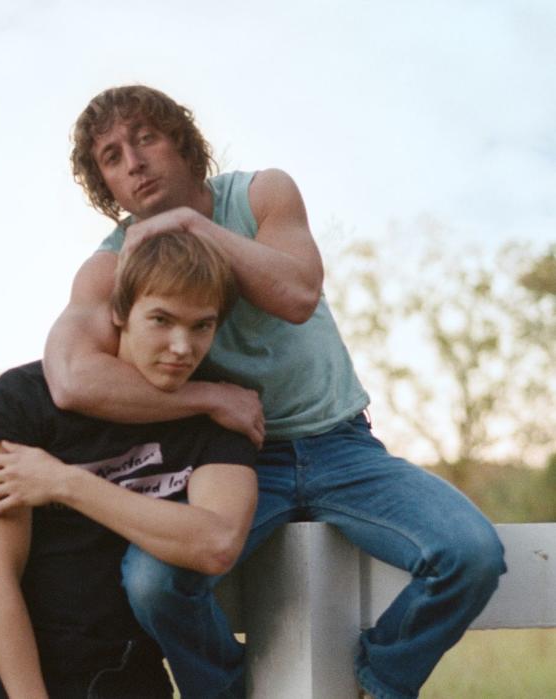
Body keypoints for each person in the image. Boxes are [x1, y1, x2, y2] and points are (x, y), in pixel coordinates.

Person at [43, 84, 506, 699]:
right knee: (153, 583)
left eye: (145, 137)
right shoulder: (110, 266)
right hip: (229, 461)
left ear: (182, 143)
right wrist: (206, 400)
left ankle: (379, 682)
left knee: (470, 553)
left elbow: (296, 295)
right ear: (106, 185)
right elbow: (72, 379)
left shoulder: (262, 194)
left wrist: (191, 227)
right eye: (111, 156)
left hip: (342, 445)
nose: (132, 161)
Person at [0, 230, 258, 699]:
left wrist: (65, 483)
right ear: (120, 313)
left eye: (202, 326)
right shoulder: (22, 401)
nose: (182, 347)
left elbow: (216, 542)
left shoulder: (221, 409)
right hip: (17, 678)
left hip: (131, 676)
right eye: (161, 320)